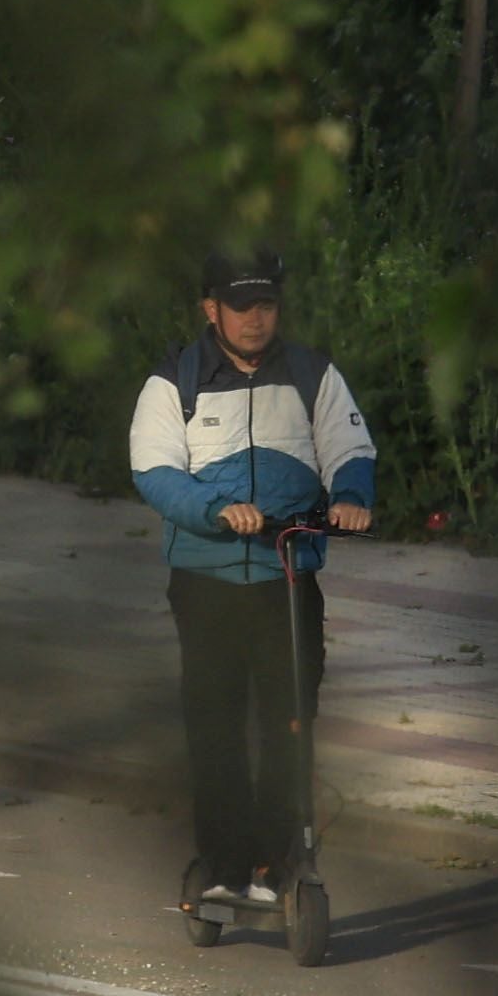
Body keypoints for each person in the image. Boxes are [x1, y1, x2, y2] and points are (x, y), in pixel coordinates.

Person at [126, 247, 375, 914]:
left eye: (266, 305)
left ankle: (283, 861)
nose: (256, 319)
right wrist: (214, 510)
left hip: (286, 576)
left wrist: (350, 494)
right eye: (241, 307)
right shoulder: (173, 382)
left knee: (290, 719)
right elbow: (154, 472)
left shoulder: (312, 375)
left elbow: (350, 446)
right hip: (205, 582)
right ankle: (222, 861)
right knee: (216, 724)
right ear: (211, 309)